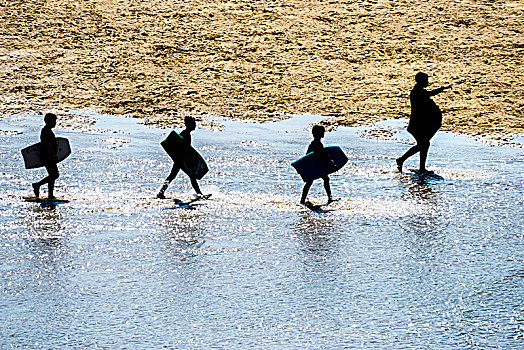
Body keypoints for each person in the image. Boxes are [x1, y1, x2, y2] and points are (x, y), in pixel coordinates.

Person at [396, 72, 452, 173]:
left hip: (420, 124)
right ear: (421, 81)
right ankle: (401, 160)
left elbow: (429, 95)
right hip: (417, 125)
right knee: (423, 144)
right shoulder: (417, 92)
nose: (427, 82)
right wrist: (443, 88)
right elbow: (430, 94)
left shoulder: (418, 91)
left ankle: (421, 167)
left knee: (424, 144)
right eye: (426, 80)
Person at [157, 116, 209, 199]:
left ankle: (161, 192)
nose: (195, 125)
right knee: (189, 177)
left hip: (179, 159)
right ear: (189, 124)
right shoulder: (186, 134)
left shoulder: (185, 133)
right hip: (180, 160)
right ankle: (200, 195)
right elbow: (182, 148)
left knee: (173, 176)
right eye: (194, 124)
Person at [300, 125, 336, 205]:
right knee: (323, 180)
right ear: (322, 134)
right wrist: (332, 164)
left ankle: (302, 200)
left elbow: (307, 156)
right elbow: (324, 156)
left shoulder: (313, 143)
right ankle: (329, 198)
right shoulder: (318, 144)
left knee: (313, 181)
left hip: (313, 166)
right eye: (323, 132)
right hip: (315, 167)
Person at [32, 113, 60, 198]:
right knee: (55, 175)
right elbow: (46, 144)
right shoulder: (46, 131)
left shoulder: (47, 130)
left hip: (48, 156)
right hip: (47, 156)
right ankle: (37, 185)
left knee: (52, 175)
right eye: (54, 121)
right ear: (49, 121)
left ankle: (50, 195)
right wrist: (52, 155)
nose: (55, 123)